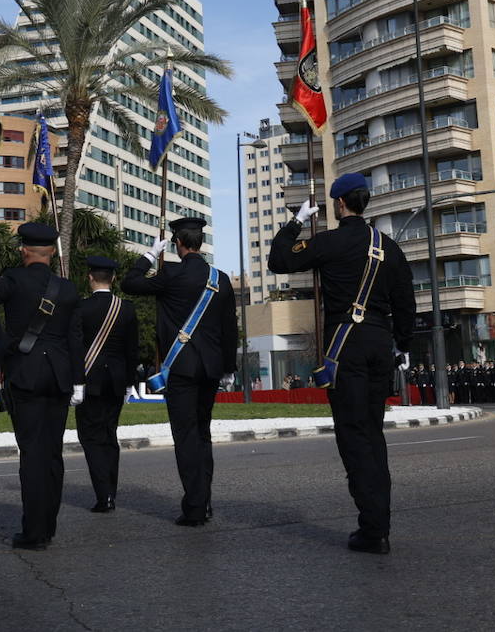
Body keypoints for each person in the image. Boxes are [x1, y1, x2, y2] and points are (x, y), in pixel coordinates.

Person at [267, 172, 414, 555]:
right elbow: (406, 305)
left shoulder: (330, 242)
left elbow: (279, 260)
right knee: (373, 435)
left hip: (343, 347)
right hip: (380, 346)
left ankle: (373, 529)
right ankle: (379, 520)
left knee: (353, 436)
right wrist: (403, 344)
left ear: (339, 203)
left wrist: (297, 221)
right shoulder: (390, 248)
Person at [122, 216, 238, 528]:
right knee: (203, 434)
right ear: (200, 243)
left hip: (182, 368)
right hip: (212, 368)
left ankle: (195, 507)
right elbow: (230, 329)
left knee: (186, 437)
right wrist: (229, 368)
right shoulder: (221, 278)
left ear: (178, 243)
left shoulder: (170, 274)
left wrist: (148, 255)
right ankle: (206, 500)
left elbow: (129, 283)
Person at [0, 222, 83, 549]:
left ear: (24, 249)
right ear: (52, 252)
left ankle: (33, 532)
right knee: (52, 453)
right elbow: (75, 338)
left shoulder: (12, 280)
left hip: (24, 374)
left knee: (31, 453)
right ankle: (48, 526)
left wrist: (3, 349)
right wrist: (78, 380)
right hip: (58, 376)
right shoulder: (68, 288)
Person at [74, 255, 138, 514]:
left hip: (89, 380)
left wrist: (75, 380)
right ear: (113, 279)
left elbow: (75, 347)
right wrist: (129, 383)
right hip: (116, 381)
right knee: (109, 435)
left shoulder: (80, 308)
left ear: (90, 277)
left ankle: (104, 496)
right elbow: (131, 351)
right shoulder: (127, 308)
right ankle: (111, 489)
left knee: (91, 437)